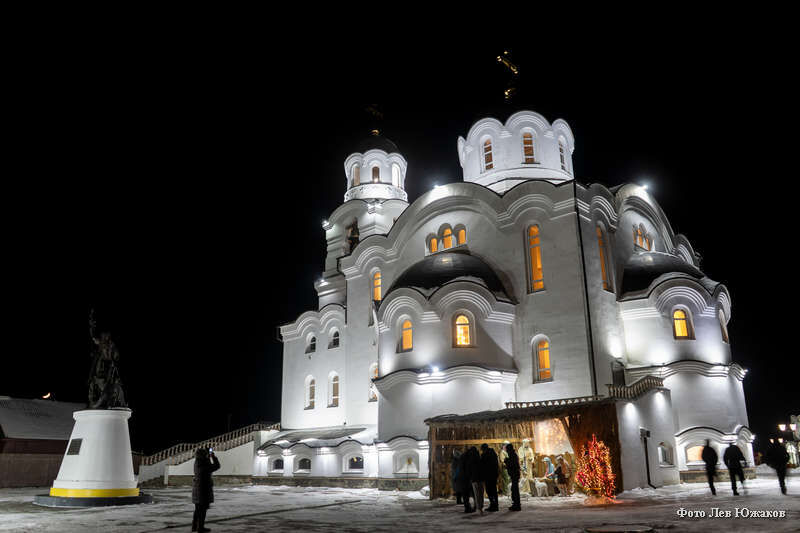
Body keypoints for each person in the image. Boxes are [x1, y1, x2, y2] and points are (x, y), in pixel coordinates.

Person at [192, 447, 221, 532]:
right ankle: (200, 527)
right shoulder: (204, 462)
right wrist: (213, 456)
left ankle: (195, 526)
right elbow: (216, 466)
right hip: (203, 489)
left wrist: (208, 457)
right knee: (202, 509)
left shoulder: (197, 461)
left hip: (197, 487)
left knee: (198, 509)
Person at [465, 446, 485, 515]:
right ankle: (481, 506)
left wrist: (470, 478)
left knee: (476, 494)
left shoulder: (470, 460)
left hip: (474, 479)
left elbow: (468, 471)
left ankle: (478, 507)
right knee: (481, 493)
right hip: (481, 478)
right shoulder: (480, 458)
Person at [480, 444, 500, 512]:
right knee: (493, 490)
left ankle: (493, 505)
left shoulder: (485, 455)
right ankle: (495, 505)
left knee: (489, 491)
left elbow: (483, 465)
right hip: (493, 475)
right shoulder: (493, 454)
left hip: (488, 476)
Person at [504, 443, 521, 511]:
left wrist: (506, 461)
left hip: (515, 474)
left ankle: (516, 505)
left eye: (507, 449)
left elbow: (513, 465)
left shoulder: (512, 455)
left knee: (514, 490)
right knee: (514, 489)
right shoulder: (512, 455)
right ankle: (515, 504)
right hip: (514, 474)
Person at [456, 447, 474, 513]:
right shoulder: (468, 458)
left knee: (465, 493)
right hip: (466, 478)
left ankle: (467, 507)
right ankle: (469, 507)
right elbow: (468, 468)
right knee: (467, 493)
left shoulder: (462, 457)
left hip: (462, 477)